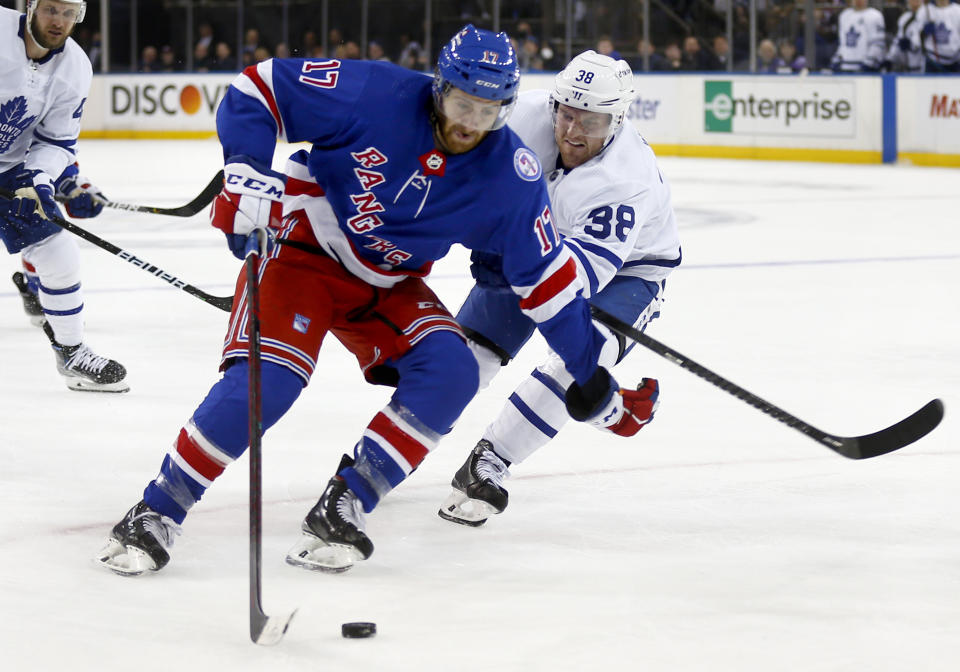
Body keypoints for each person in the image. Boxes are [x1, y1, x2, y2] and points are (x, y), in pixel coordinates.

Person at [96, 25, 654, 576]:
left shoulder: (512, 175)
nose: (468, 124)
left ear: (505, 109)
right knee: (272, 381)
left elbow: (550, 290)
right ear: (440, 87)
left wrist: (590, 376)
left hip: (387, 283)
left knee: (454, 370)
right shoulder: (375, 92)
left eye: (487, 112)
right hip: (302, 251)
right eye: (461, 103)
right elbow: (257, 90)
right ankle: (157, 509)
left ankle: (347, 501)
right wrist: (244, 174)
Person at [437, 51, 679, 527]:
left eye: (589, 120)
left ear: (617, 118)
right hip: (532, 247)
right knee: (464, 362)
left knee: (578, 358)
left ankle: (491, 461)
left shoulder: (625, 180)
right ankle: (391, 453)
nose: (572, 131)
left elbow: (572, 288)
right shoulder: (523, 117)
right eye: (566, 113)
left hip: (629, 273)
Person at [1, 0, 127, 393]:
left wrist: (40, 178)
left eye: (68, 13)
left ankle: (71, 353)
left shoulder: (75, 68)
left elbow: (55, 142)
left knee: (58, 251)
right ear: (32, 7)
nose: (58, 21)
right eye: (51, 9)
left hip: (8, 170)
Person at [830, 0, 886, 73]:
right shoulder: (844, 15)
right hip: (845, 66)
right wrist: (837, 59)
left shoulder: (875, 16)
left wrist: (869, 63)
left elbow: (878, 44)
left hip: (866, 68)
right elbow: (843, 43)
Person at [917, 0, 960, 73]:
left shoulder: (958, 10)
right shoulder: (924, 11)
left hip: (955, 61)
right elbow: (916, 39)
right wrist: (923, 33)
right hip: (932, 61)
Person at [885, 0, 924, 73]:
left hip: (926, 68)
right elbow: (897, 40)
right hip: (908, 67)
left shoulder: (927, 16)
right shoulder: (904, 18)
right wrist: (890, 58)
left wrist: (911, 44)